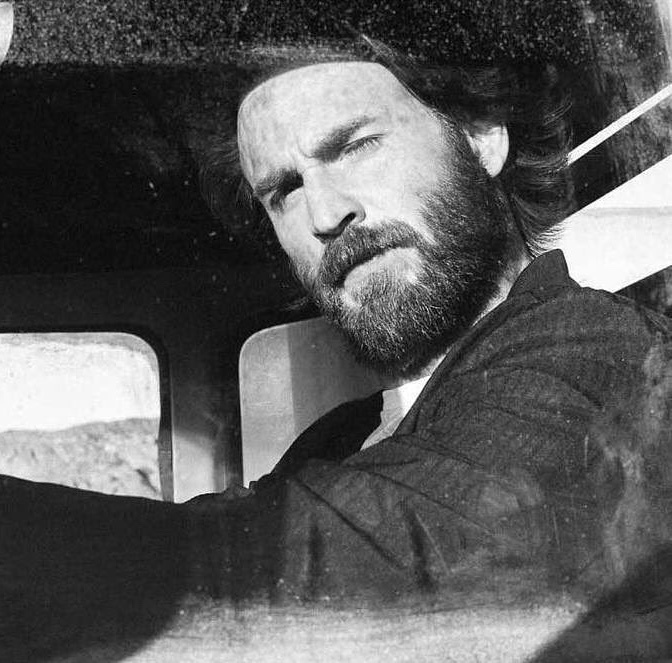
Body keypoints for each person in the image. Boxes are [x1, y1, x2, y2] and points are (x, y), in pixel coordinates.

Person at [1, 26, 671, 660]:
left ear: (481, 137)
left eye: (355, 146)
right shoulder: (338, 437)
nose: (325, 214)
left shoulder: (607, 353)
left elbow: (407, 553)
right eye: (285, 191)